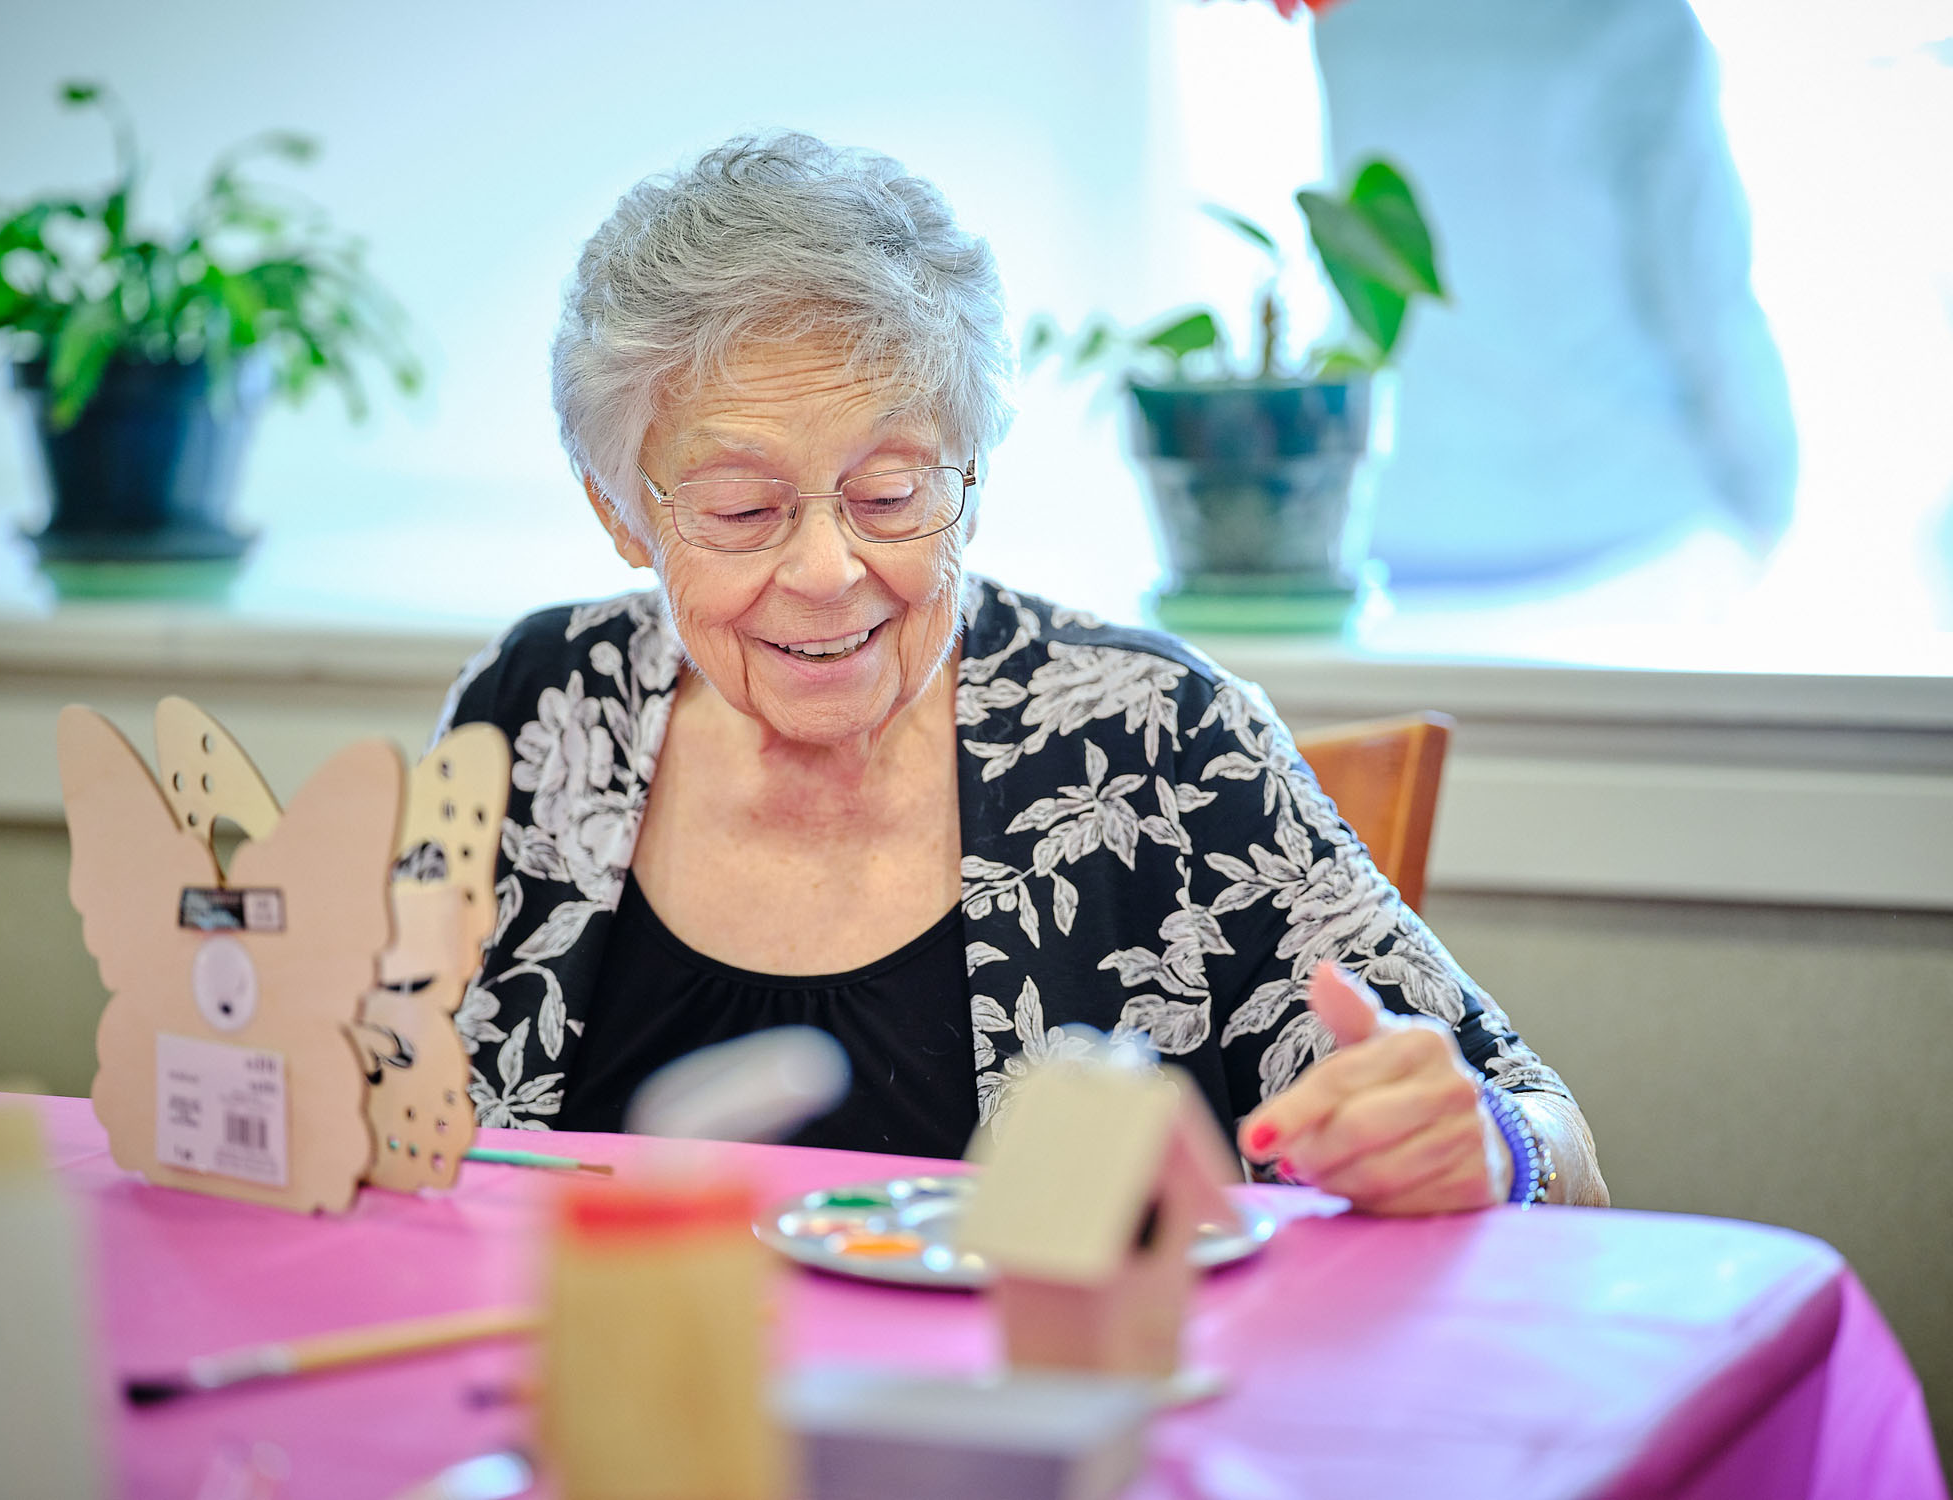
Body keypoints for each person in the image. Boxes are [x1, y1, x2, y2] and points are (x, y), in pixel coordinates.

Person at [440, 133, 1607, 1213]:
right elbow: (371, 1089)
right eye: (742, 509)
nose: (827, 568)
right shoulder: (542, 708)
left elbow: (1558, 1142)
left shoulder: (1155, 742)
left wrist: (1490, 1141)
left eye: (891, 492)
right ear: (619, 512)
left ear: (973, 473)